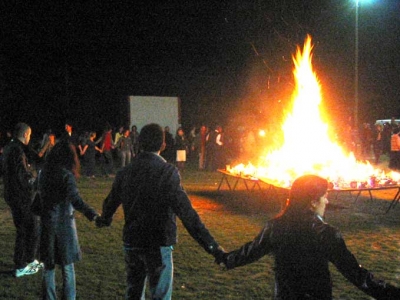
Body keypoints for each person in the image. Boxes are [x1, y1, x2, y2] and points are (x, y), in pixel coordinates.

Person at [95, 123, 225, 300]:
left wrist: (105, 219)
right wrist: (213, 247)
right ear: (163, 146)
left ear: (139, 144)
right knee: (160, 295)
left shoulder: (125, 172)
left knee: (133, 293)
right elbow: (187, 214)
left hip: (133, 241)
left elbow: (110, 203)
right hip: (158, 243)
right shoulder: (167, 172)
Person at [221, 174, 400, 299]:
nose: (327, 201)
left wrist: (226, 259)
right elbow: (357, 275)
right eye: (325, 196)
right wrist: (391, 294)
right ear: (313, 202)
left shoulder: (275, 227)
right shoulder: (327, 234)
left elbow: (251, 252)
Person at [37, 141, 99, 299]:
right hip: (64, 226)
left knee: (48, 267)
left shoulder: (43, 172)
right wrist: (93, 214)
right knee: (67, 266)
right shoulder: (66, 175)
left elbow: (38, 194)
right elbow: (76, 200)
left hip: (46, 224)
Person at [2, 122, 43, 277]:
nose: (30, 138)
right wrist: (34, 179)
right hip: (20, 197)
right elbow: (21, 175)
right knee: (26, 229)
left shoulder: (10, 147)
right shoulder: (16, 150)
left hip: (14, 195)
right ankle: (21, 266)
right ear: (26, 134)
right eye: (30, 135)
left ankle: (29, 260)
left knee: (31, 227)